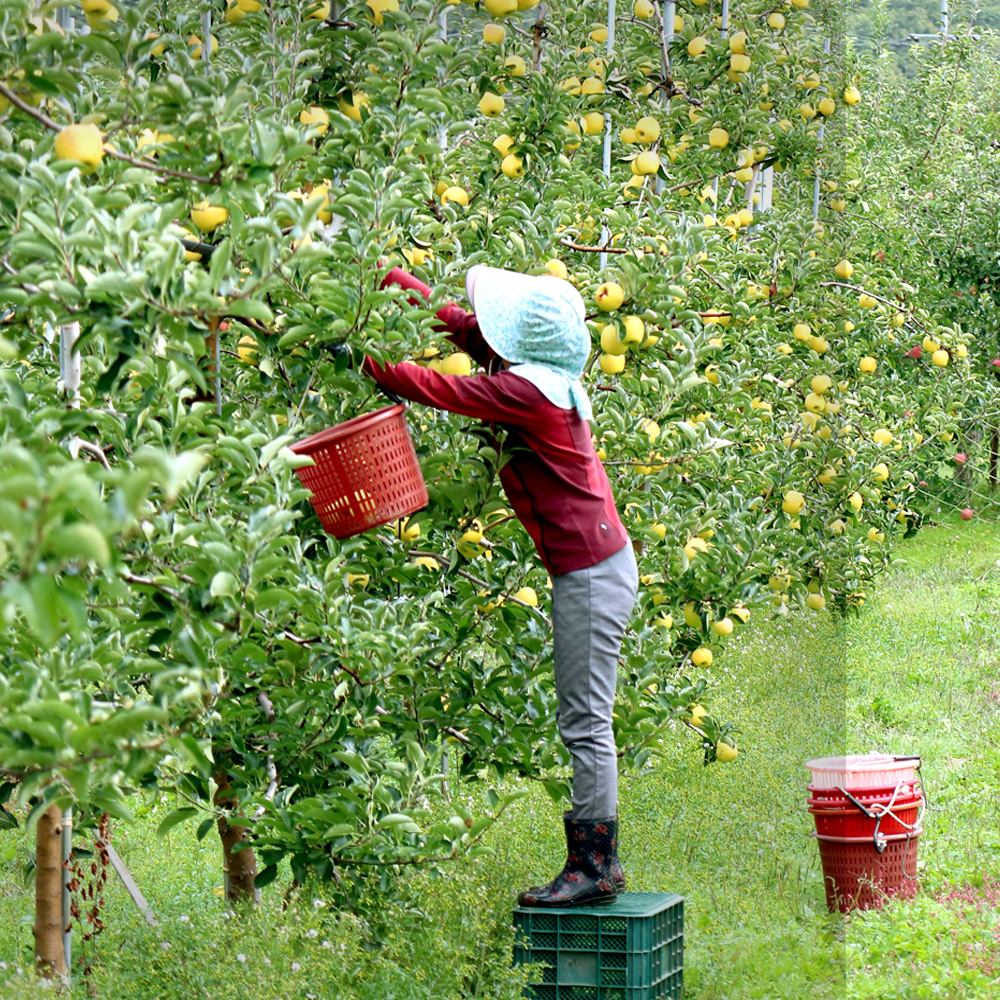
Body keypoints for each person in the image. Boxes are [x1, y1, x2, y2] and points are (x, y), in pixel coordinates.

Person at [361, 263, 639, 907]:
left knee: (585, 722)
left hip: (591, 573)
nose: (488, 331)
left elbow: (431, 387)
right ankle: (597, 864)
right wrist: (388, 277)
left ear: (521, 342)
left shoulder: (527, 393)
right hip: (595, 564)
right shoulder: (540, 375)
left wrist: (361, 356)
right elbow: (459, 325)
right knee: (585, 718)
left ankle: (594, 866)